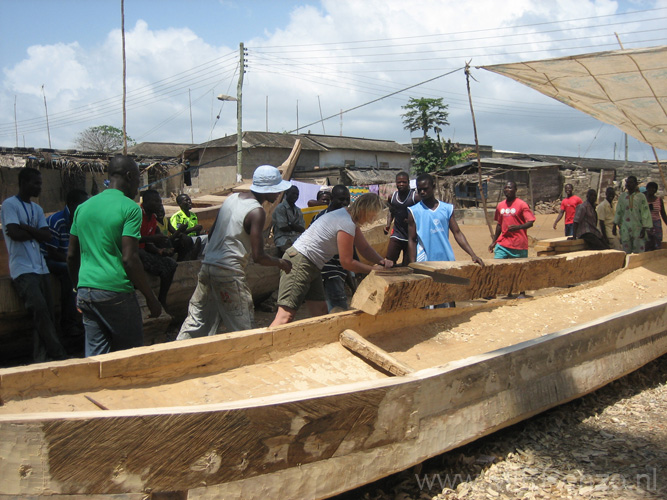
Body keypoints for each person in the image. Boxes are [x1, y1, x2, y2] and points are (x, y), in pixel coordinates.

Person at [177, 165, 293, 339]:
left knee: (196, 322)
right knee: (243, 327)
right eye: (276, 190)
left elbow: (213, 231)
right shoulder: (257, 212)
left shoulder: (232, 199)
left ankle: (177, 355)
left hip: (208, 267)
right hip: (229, 274)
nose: (278, 194)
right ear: (266, 189)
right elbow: (259, 256)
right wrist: (281, 263)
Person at [68, 156, 162, 357]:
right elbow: (130, 259)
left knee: (97, 357)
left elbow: (71, 255)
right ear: (129, 176)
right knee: (130, 356)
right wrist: (151, 298)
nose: (138, 186)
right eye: (138, 179)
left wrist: (78, 288)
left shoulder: (83, 208)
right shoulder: (129, 209)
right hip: (115, 291)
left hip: (86, 292)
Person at [270, 193, 393, 327]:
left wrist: (382, 261)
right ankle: (264, 346)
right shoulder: (346, 222)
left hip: (313, 264)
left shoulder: (347, 217)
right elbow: (346, 262)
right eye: (372, 216)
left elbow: (364, 248)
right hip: (300, 261)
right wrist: (373, 270)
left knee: (321, 312)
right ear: (365, 210)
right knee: (285, 316)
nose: (372, 220)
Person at [1, 167, 68, 362]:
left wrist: (27, 228)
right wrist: (34, 232)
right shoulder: (9, 205)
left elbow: (46, 236)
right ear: (24, 183)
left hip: (41, 268)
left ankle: (41, 357)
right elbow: (14, 233)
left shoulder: (37, 209)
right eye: (36, 183)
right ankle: (58, 353)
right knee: (39, 310)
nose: (40, 187)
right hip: (22, 269)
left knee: (46, 314)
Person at [42, 188, 89, 338]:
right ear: (71, 204)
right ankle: (68, 323)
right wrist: (74, 262)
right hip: (52, 260)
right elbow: (52, 252)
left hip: (71, 259)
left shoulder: (83, 221)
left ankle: (86, 320)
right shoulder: (57, 221)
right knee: (70, 274)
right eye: (81, 205)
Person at [407, 173, 483, 265]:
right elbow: (412, 239)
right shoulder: (414, 211)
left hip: (446, 258)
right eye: (419, 189)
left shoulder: (446, 209)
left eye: (425, 189)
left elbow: (457, 233)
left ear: (433, 187)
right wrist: (413, 263)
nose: (422, 192)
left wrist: (473, 255)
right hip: (424, 261)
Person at [311, 185, 355, 312]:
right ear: (332, 199)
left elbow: (351, 251)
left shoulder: (345, 218)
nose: (345, 203)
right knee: (338, 309)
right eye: (341, 199)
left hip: (336, 269)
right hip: (328, 270)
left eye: (347, 199)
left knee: (328, 310)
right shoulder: (322, 218)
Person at [488, 181, 535, 298]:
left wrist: (518, 227)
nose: (507, 190)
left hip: (518, 243)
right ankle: (493, 291)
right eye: (505, 188)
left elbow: (531, 222)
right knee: (497, 266)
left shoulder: (522, 205)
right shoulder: (500, 206)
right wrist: (494, 241)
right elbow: (499, 224)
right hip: (503, 242)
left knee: (519, 269)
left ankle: (521, 292)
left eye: (510, 188)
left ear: (515, 190)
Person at [139, 189, 178, 308]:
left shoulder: (153, 219)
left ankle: (162, 299)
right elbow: (131, 239)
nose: (160, 205)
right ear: (145, 203)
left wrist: (159, 251)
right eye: (156, 201)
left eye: (160, 202)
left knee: (171, 264)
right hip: (134, 252)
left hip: (144, 250)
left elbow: (149, 243)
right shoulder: (138, 216)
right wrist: (153, 239)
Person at [385, 171, 419, 266]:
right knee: (389, 261)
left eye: (404, 182)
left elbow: (422, 213)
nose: (401, 184)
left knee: (408, 265)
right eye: (399, 182)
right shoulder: (392, 197)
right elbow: (391, 211)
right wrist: (388, 226)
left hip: (411, 237)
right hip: (397, 234)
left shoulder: (414, 197)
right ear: (396, 183)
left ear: (408, 183)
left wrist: (412, 220)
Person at [614, 176, 652, 254]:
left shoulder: (641, 197)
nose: (629, 184)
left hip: (638, 226)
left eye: (631, 182)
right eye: (627, 182)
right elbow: (618, 211)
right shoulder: (622, 197)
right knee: (626, 248)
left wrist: (644, 227)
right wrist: (615, 224)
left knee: (639, 249)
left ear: (635, 184)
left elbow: (645, 212)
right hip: (625, 226)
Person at [169, 193, 206, 260]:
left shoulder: (193, 215)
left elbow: (196, 233)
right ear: (180, 204)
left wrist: (199, 231)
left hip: (194, 238)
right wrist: (192, 229)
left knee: (208, 237)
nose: (189, 202)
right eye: (186, 200)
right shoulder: (177, 216)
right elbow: (177, 234)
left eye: (189, 200)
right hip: (183, 241)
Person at [272, 185, 306, 254]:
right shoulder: (280, 208)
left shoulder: (298, 210)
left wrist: (290, 224)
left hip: (296, 238)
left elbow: (302, 228)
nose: (295, 196)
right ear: (287, 193)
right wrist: (295, 227)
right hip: (283, 239)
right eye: (293, 193)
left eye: (297, 194)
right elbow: (283, 227)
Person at [644, 181, 667, 251]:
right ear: (647, 189)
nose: (652, 190)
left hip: (656, 223)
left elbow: (663, 213)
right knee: (647, 242)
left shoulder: (659, 200)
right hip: (646, 223)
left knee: (657, 242)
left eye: (654, 188)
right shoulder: (643, 200)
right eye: (650, 188)